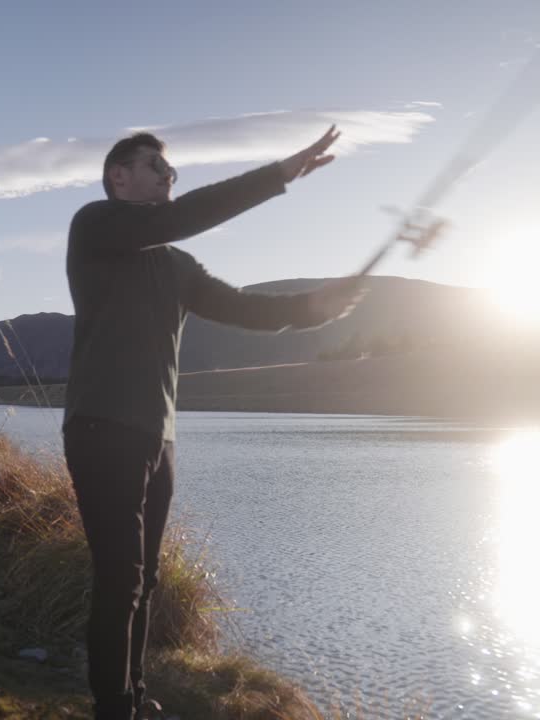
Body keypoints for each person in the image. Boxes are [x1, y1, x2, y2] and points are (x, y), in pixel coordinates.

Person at [63, 125, 365, 720]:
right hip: (101, 428)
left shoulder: (177, 265)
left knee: (144, 581)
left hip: (158, 436)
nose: (169, 176)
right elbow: (181, 218)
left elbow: (245, 308)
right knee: (119, 578)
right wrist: (278, 174)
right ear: (118, 177)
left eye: (172, 169)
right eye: (155, 166)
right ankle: (112, 710)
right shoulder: (94, 226)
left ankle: (135, 695)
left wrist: (314, 308)